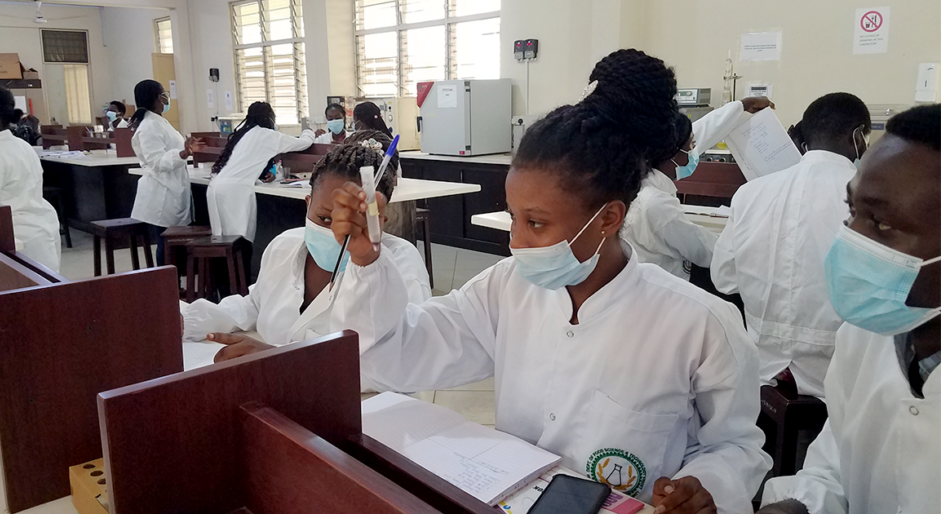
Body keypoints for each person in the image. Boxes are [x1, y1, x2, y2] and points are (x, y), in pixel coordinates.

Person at [328, 49, 770, 513]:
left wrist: (703, 487)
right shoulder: (506, 289)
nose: (515, 240)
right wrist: (366, 263)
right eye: (513, 217)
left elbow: (737, 447)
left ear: (608, 218)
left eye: (536, 223)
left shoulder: (699, 324)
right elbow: (392, 358)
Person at [756, 104, 940, 514]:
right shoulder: (864, 334)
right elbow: (835, 466)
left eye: (882, 224)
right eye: (853, 211)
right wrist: (797, 507)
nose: (850, 240)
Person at [184, 131, 430, 365]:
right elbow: (255, 305)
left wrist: (282, 360)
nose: (337, 231)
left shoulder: (401, 263)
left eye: (352, 223)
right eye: (324, 218)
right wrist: (188, 321)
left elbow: (400, 359)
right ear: (308, 204)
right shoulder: (285, 246)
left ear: (378, 220)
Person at [710, 93, 870, 397]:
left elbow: (724, 279)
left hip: (760, 367)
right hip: (836, 373)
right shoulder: (867, 197)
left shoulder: (750, 192)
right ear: (857, 136)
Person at [622, 96, 774, 280]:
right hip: (660, 294)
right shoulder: (656, 204)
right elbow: (706, 250)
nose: (695, 152)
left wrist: (740, 106)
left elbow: (697, 133)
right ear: (672, 153)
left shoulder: (638, 180)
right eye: (692, 146)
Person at [0, 84, 61, 271]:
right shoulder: (19, 145)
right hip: (39, 231)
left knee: (25, 296)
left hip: (15, 237)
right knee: (44, 292)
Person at [207, 101, 315, 247]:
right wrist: (309, 131)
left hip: (216, 187)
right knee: (239, 241)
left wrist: (264, 177)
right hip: (234, 192)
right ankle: (240, 269)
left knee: (223, 239)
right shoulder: (267, 135)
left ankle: (230, 269)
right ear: (270, 117)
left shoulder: (244, 134)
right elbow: (304, 143)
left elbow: (245, 164)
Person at [129, 79, 204, 265]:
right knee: (166, 243)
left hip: (171, 189)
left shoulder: (159, 121)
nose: (166, 98)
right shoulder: (148, 127)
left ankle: (173, 285)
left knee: (170, 243)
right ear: (156, 98)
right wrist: (184, 153)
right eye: (163, 94)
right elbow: (157, 162)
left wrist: (186, 150)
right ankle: (167, 288)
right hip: (161, 193)